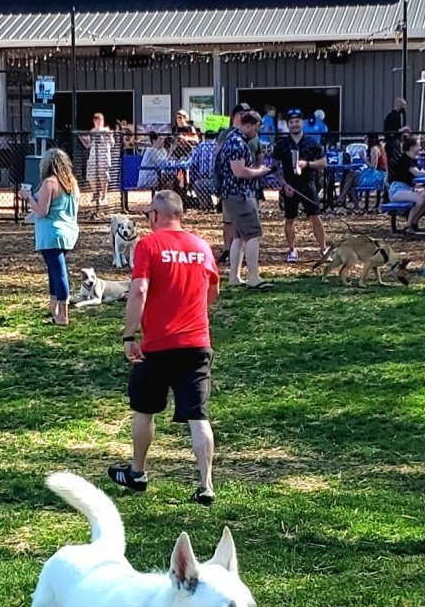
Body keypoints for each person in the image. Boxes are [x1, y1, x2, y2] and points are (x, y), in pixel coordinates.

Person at [114, 190, 220, 504]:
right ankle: (206, 484)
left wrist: (129, 336)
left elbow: (138, 291)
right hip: (197, 343)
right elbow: (212, 290)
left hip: (157, 345)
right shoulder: (202, 246)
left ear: (156, 216)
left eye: (149, 215)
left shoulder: (148, 245)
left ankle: (138, 472)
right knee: (198, 415)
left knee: (144, 410)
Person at [214, 109, 273, 288]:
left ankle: (234, 277)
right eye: (255, 129)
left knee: (239, 237)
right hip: (239, 194)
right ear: (247, 125)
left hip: (233, 194)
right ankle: (254, 277)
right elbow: (239, 171)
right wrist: (260, 172)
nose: (256, 132)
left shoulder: (231, 139)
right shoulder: (237, 143)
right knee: (254, 234)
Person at [30, 147, 82, 326]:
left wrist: (28, 197)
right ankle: (54, 308)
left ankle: (63, 314)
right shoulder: (72, 183)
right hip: (68, 231)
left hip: (51, 233)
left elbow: (42, 211)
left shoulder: (49, 183)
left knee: (59, 273)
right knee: (54, 271)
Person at [276, 111, 329, 264]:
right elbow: (275, 168)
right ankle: (292, 249)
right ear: (287, 124)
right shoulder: (282, 144)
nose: (294, 124)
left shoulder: (311, 142)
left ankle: (323, 249)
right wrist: (284, 184)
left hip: (308, 184)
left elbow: (323, 163)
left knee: (316, 217)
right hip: (289, 187)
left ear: (302, 123)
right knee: (289, 219)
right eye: (291, 122)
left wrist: (307, 164)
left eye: (297, 121)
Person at [388, 131, 425, 232]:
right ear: (412, 147)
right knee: (420, 200)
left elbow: (420, 172)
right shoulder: (405, 160)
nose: (420, 148)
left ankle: (414, 222)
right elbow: (418, 174)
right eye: (418, 145)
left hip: (408, 189)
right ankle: (408, 226)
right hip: (397, 190)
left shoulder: (412, 160)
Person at [81, 112, 118, 210]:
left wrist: (109, 135)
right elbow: (88, 145)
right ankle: (95, 193)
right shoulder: (92, 131)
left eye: (100, 120)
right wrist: (82, 138)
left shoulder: (106, 130)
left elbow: (112, 143)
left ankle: (104, 195)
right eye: (96, 120)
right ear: (94, 121)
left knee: (103, 175)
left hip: (103, 156)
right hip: (93, 156)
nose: (98, 122)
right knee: (91, 175)